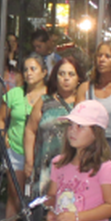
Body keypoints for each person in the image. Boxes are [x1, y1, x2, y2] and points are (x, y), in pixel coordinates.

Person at [0, 55, 45, 221]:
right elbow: (0, 118)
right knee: (14, 192)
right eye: (25, 69)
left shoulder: (49, 95)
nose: (29, 73)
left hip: (41, 152)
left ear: (44, 72)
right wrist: (4, 135)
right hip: (16, 149)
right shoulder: (14, 94)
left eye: (33, 69)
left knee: (40, 194)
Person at [25, 54, 84, 197]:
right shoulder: (44, 101)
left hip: (74, 166)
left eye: (71, 74)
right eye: (61, 74)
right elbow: (30, 130)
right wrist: (29, 161)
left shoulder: (82, 103)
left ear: (78, 79)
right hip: (45, 166)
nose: (66, 78)